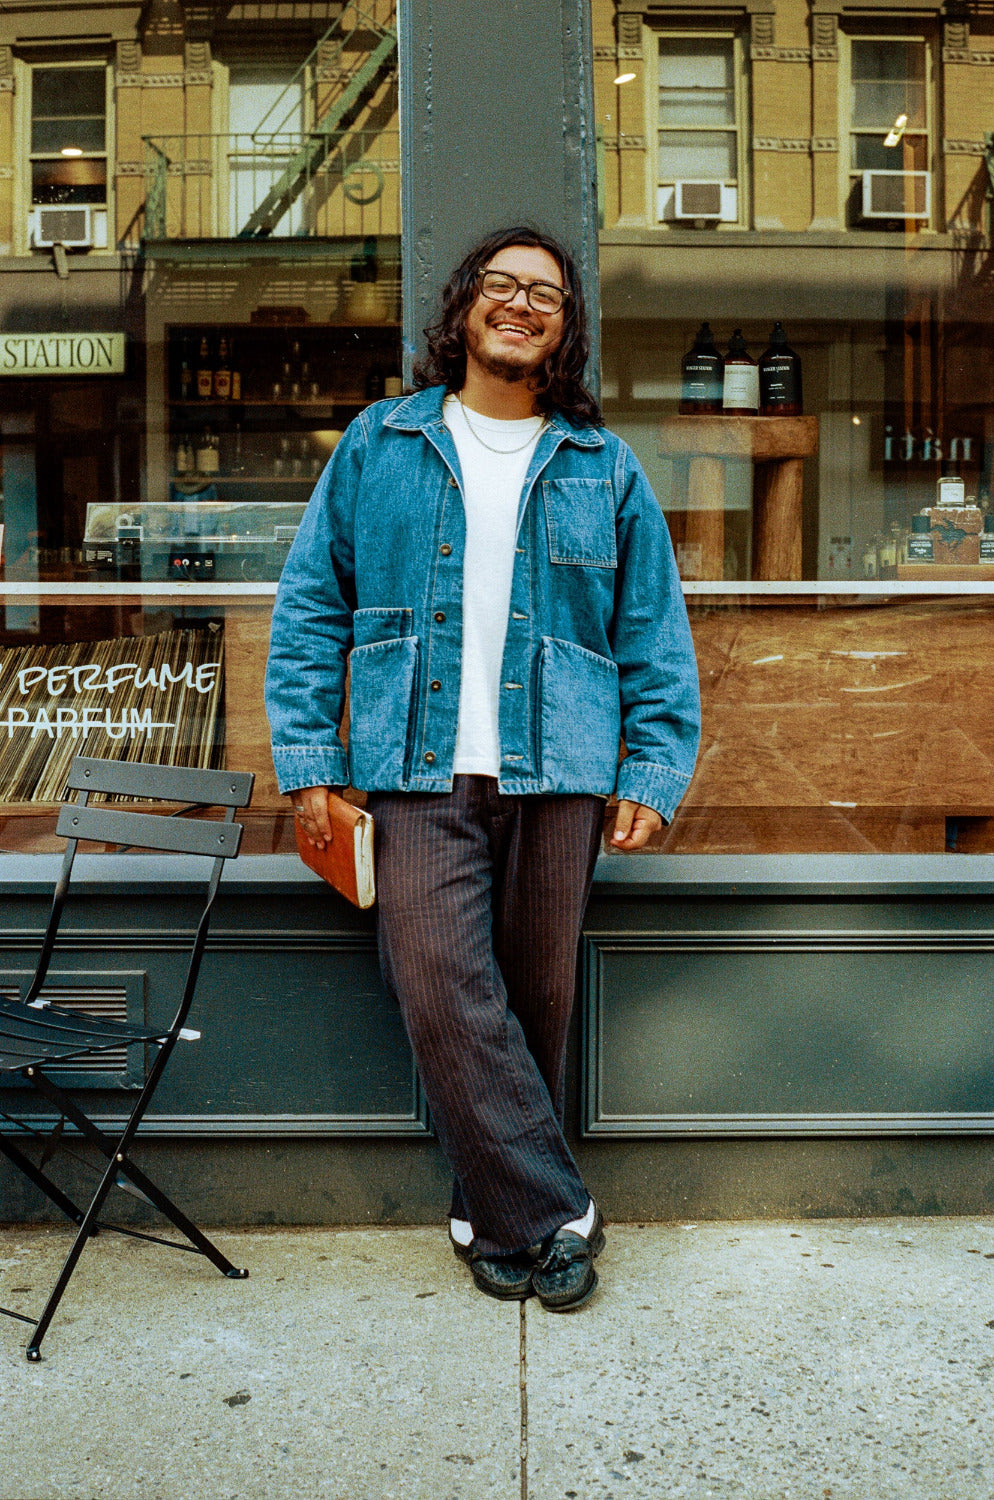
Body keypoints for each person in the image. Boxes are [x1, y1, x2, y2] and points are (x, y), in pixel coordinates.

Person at [265, 226, 700, 1311]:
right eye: (502, 285)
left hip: (558, 770)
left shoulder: (603, 466)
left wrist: (651, 770)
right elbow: (312, 606)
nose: (522, 303)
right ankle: (557, 1210)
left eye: (545, 293)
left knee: (535, 1001)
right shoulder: (381, 441)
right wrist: (313, 760)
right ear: (463, 308)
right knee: (441, 987)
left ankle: (490, 1210)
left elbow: (651, 630)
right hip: (414, 772)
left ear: (565, 326)